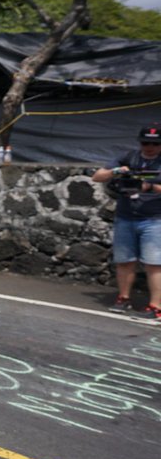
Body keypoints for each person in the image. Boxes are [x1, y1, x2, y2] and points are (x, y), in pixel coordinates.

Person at [93, 123, 161, 320]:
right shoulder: (129, 157)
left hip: (154, 219)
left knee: (154, 264)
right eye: (146, 143)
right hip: (126, 216)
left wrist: (149, 187)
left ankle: (156, 306)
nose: (150, 147)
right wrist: (117, 171)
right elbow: (97, 176)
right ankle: (123, 298)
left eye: (155, 144)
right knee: (124, 261)